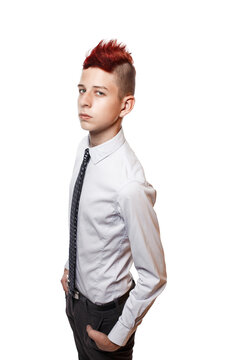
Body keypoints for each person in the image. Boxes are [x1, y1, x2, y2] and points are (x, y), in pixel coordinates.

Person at [60, 39, 167, 360]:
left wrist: (118, 336)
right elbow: (89, 222)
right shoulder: (85, 147)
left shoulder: (129, 184)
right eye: (82, 90)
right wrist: (71, 270)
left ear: (125, 105)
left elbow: (154, 275)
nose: (85, 102)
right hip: (76, 302)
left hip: (107, 317)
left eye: (100, 92)